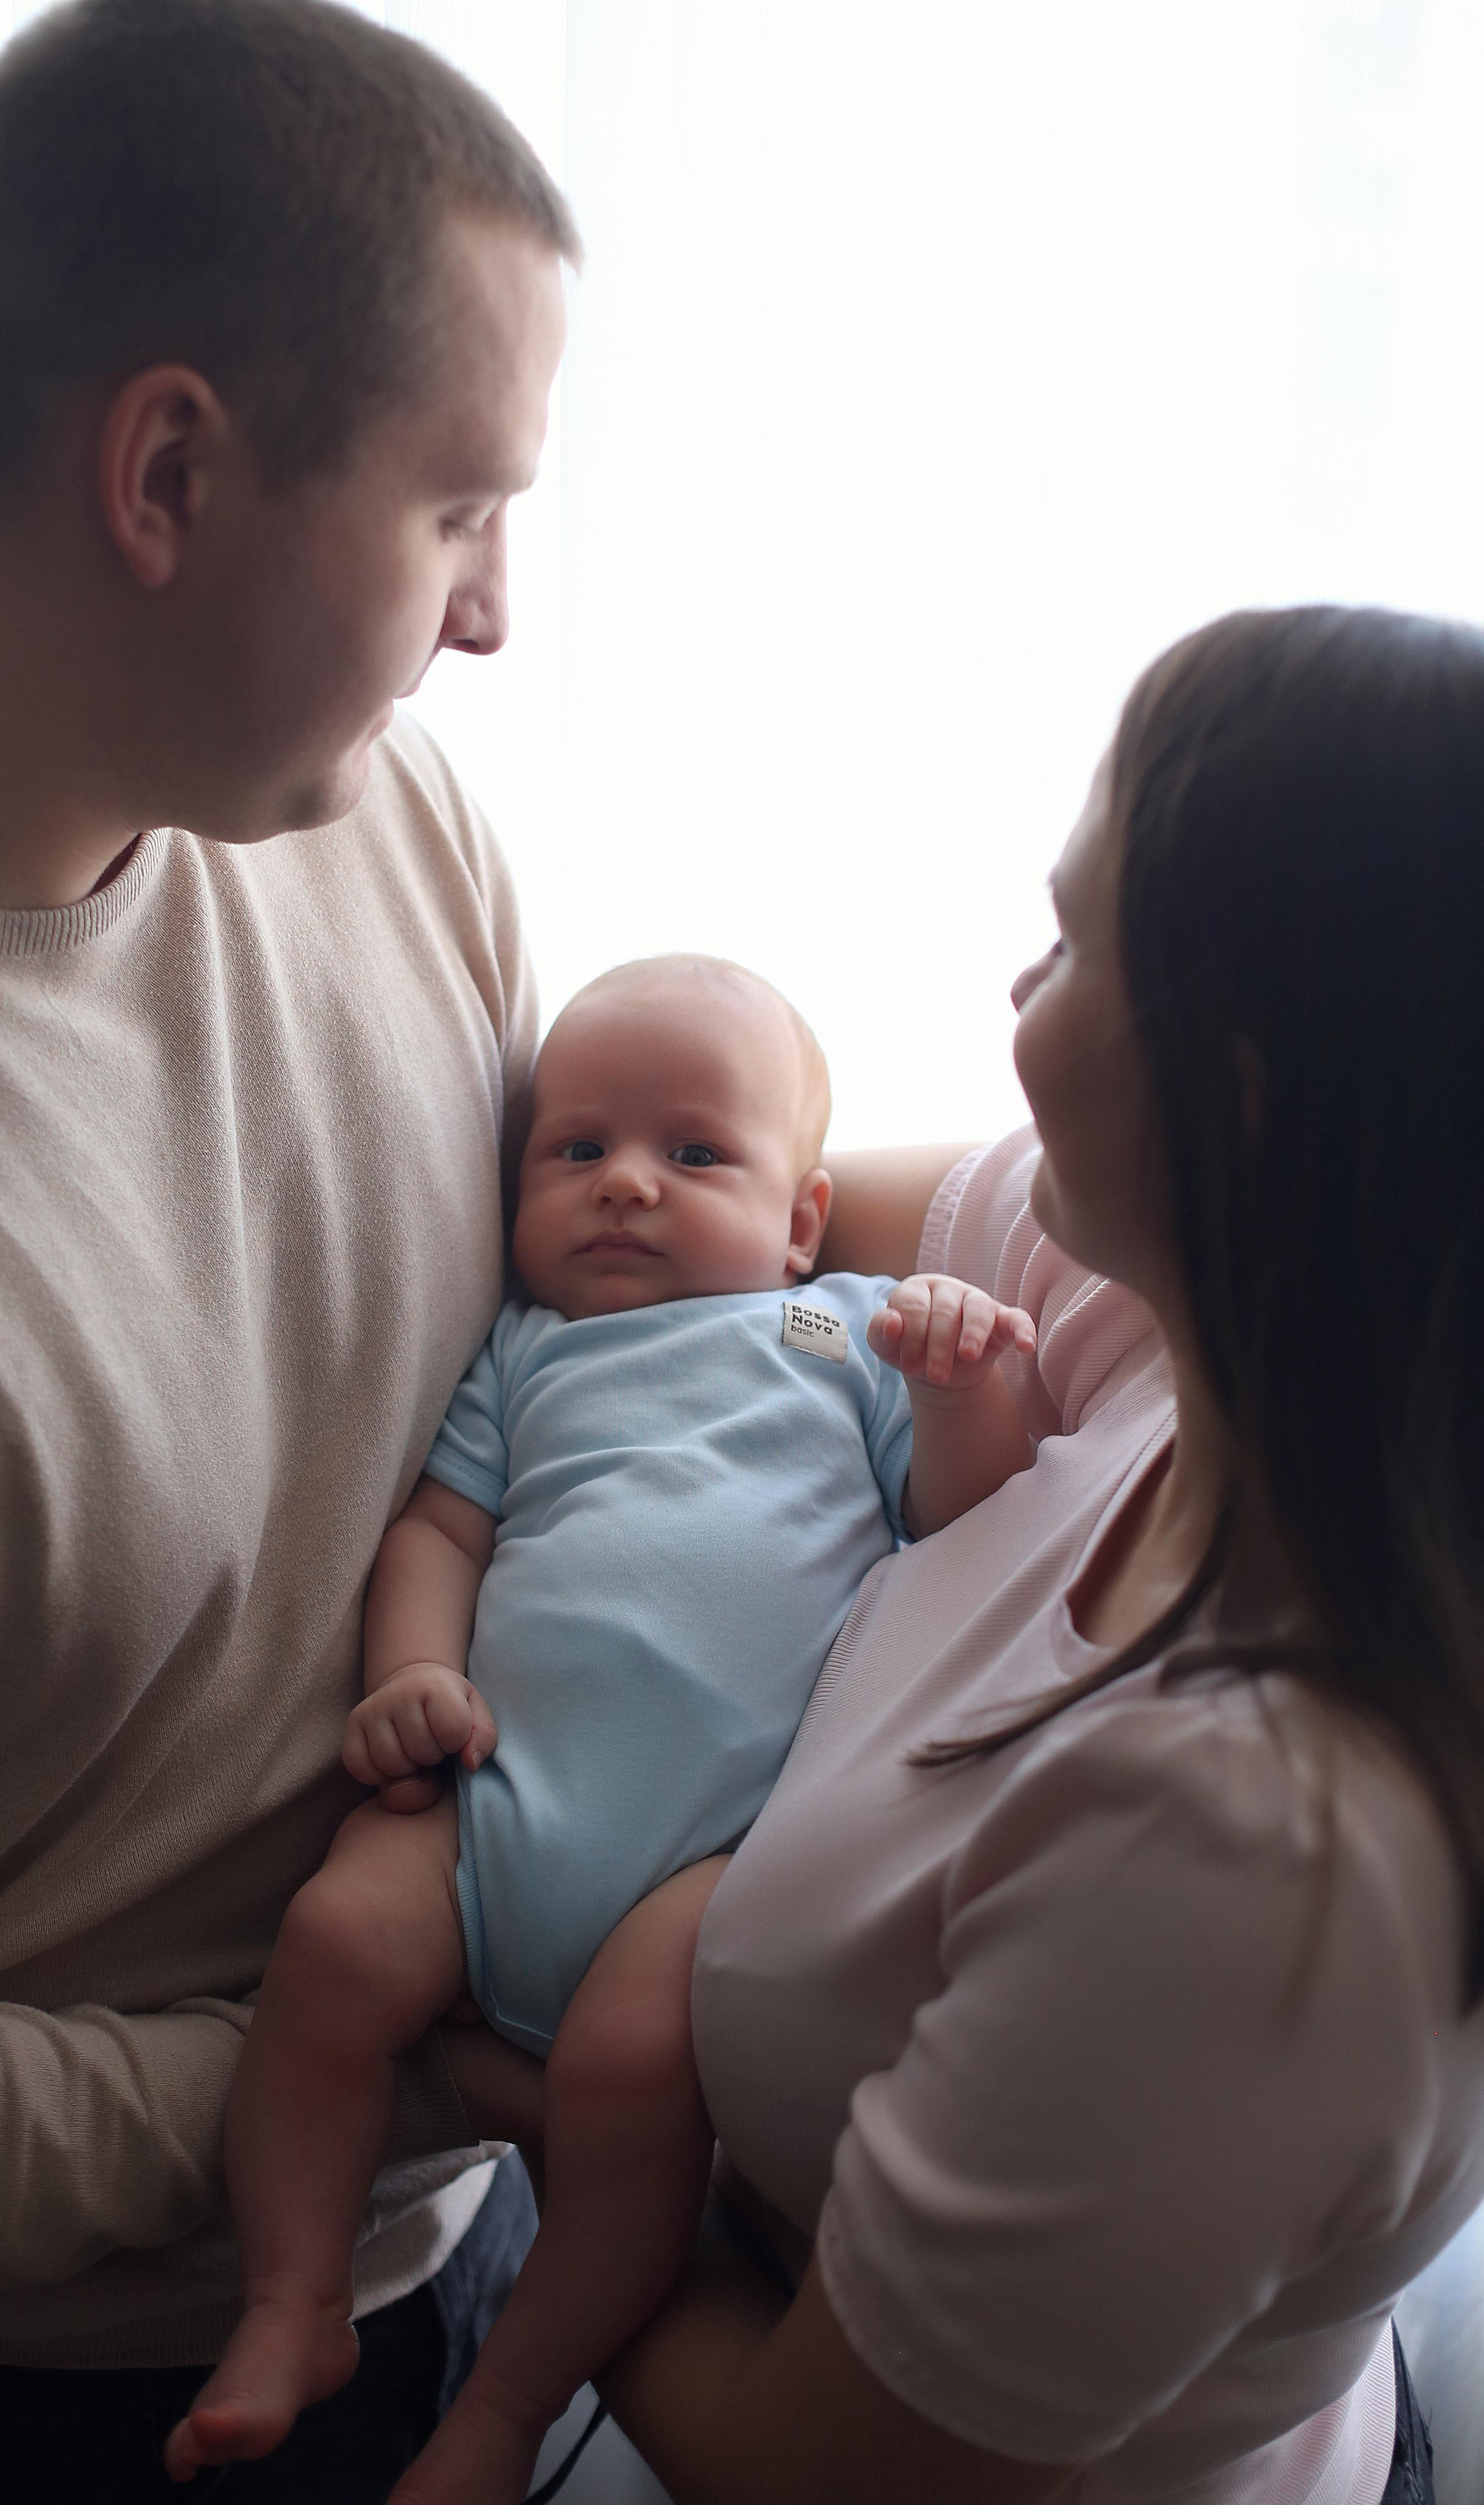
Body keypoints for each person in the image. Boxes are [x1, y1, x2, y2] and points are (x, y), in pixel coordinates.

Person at [0, 3, 583, 2497]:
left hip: (454, 2242)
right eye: (462, 510)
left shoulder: (389, 828)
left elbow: (589, 1307)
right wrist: (328, 2078)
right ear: (166, 472)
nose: (495, 619)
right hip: (20, 2410)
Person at [575, 606, 1478, 2505]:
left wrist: (524, 2126)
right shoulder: (1229, 1350)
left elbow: (805, 2469)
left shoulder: (1251, 1858)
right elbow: (831, 1212)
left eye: (1071, 945)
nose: (1011, 986)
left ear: (1239, 1091)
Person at [166, 952, 1038, 2499]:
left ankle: (506, 2406)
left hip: (711, 1856)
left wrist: (962, 1382)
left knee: (634, 2097)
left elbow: (953, 1520)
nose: (625, 1184)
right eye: (574, 1150)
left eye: (692, 1153)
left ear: (798, 1223)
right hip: (494, 1797)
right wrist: (407, 1675)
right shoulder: (523, 1351)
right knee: (327, 1955)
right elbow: (437, 1534)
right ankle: (292, 2300)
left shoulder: (837, 1337)